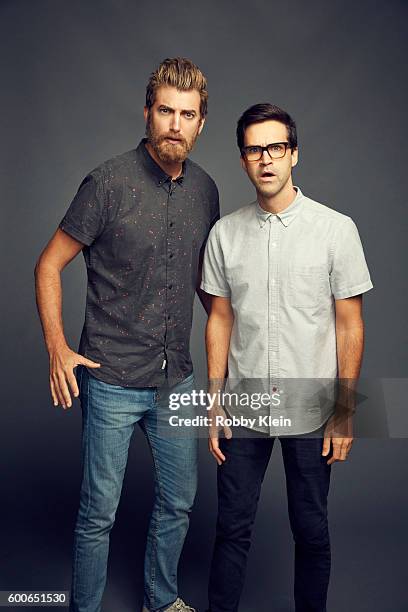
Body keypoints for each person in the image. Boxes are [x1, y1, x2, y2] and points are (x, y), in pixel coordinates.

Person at [35, 57, 219, 612]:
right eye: (166, 111)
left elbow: (206, 287)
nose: (175, 125)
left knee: (179, 503)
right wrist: (57, 348)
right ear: (147, 113)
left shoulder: (205, 190)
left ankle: (161, 599)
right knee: (98, 512)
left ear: (201, 123)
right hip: (111, 377)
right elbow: (48, 265)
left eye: (187, 114)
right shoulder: (107, 183)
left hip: (177, 380)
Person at [201, 103, 373, 612]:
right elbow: (219, 320)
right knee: (230, 529)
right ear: (243, 161)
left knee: (311, 530)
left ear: (294, 154)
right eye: (254, 149)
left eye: (276, 147)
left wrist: (344, 410)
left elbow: (350, 323)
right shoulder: (224, 235)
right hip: (245, 404)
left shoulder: (336, 230)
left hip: (313, 405)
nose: (266, 159)